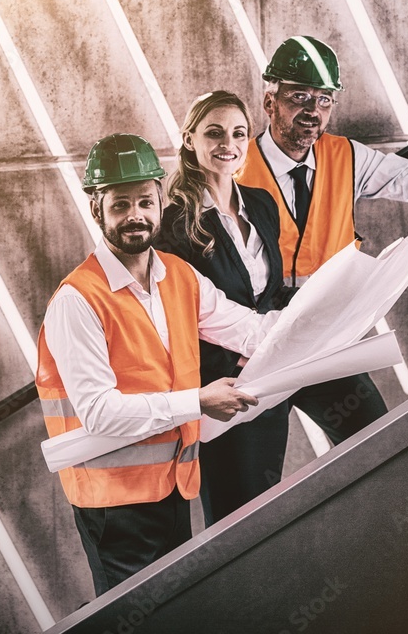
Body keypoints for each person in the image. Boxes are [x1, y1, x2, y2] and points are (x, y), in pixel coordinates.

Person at [36, 133, 285, 596]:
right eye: (120, 204)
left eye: (145, 202)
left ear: (159, 202)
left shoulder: (179, 276)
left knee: (176, 612)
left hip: (171, 487)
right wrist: (199, 401)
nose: (136, 215)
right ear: (97, 209)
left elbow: (248, 329)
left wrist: (328, 319)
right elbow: (100, 413)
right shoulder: (77, 300)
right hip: (113, 504)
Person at [235, 34, 408, 445]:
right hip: (255, 336)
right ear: (270, 102)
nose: (312, 111)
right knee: (250, 466)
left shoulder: (347, 156)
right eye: (299, 97)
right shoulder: (234, 167)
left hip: (325, 327)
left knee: (372, 444)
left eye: (324, 100)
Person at [156, 90, 296, 525]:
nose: (228, 144)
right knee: (234, 517)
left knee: (265, 505)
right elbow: (178, 312)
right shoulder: (174, 221)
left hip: (268, 380)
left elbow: (270, 292)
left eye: (238, 133)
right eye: (213, 133)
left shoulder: (262, 203)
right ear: (189, 139)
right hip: (220, 388)